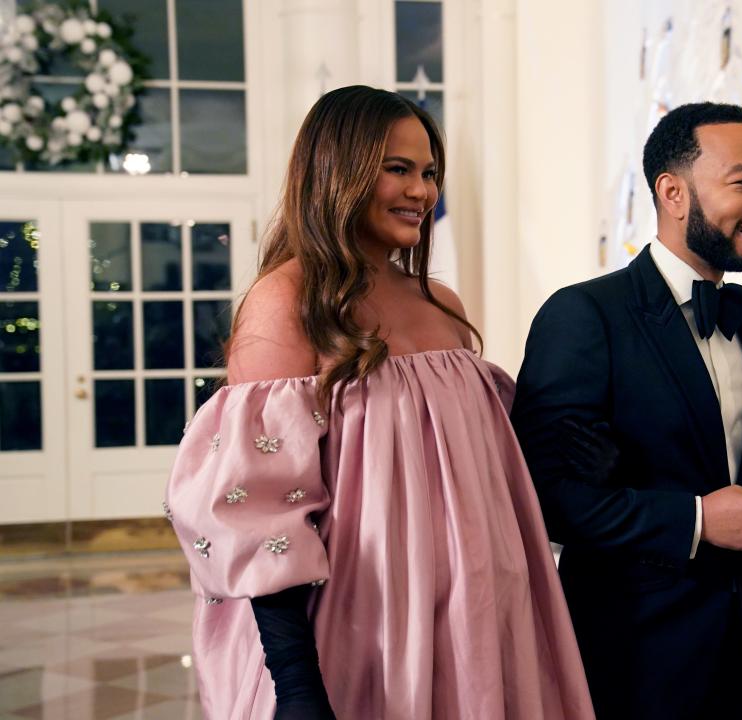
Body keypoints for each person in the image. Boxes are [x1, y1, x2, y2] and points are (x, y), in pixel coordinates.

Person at [165, 86, 594, 720]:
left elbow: (483, 470)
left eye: (428, 173)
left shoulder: (442, 306)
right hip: (362, 633)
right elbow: (252, 505)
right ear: (337, 172)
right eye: (398, 169)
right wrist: (296, 683)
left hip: (478, 627)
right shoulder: (287, 304)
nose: (422, 191)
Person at [510, 102, 742, 720]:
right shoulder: (583, 316)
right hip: (635, 652)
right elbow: (547, 495)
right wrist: (696, 519)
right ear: (673, 192)